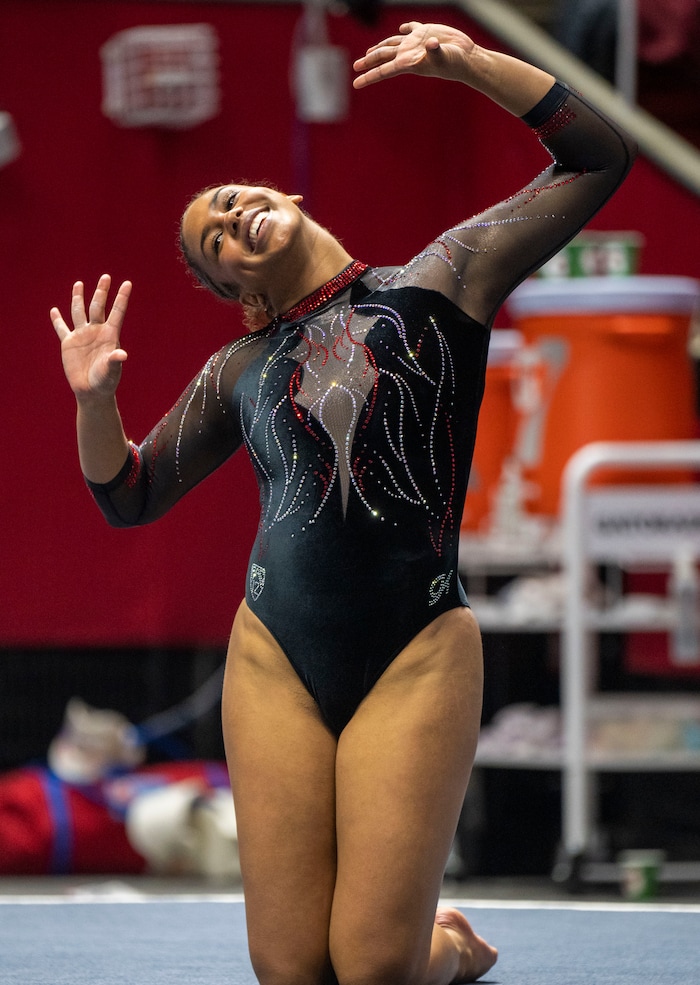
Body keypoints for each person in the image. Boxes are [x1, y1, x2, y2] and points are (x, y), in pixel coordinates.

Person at [51, 21, 635, 985]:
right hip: (276, 652)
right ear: (229, 287)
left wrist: (471, 64)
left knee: (372, 971)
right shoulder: (238, 365)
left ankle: (442, 946)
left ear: (285, 195)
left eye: (236, 201)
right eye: (215, 240)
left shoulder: (447, 278)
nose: (234, 219)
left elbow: (597, 157)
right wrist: (95, 403)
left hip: (418, 647)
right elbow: (129, 494)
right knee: (290, 972)